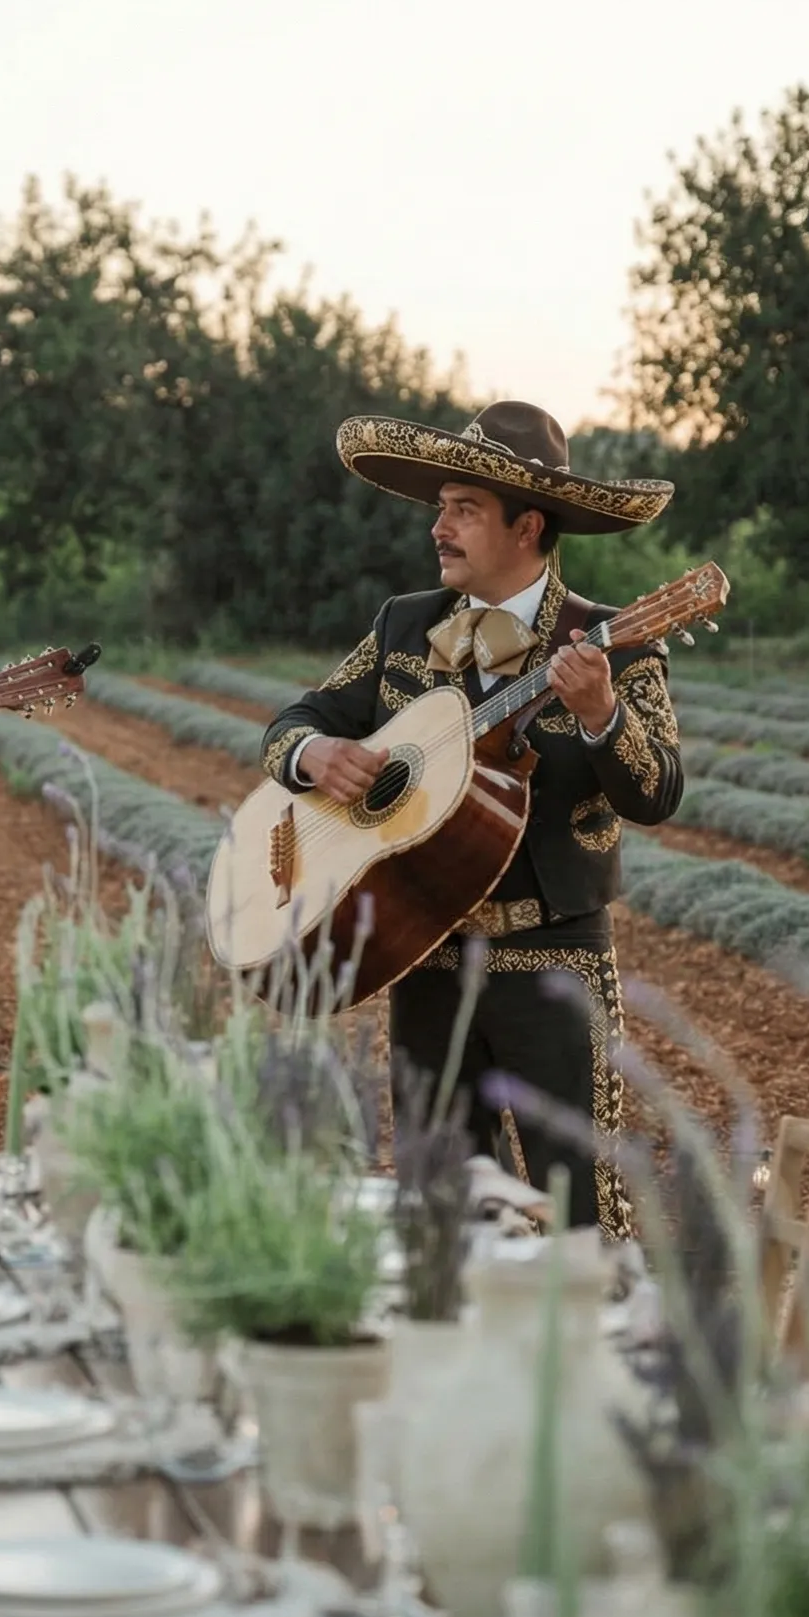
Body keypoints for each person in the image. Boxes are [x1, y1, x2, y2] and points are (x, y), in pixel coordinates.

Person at [260, 401, 683, 1235]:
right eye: (439, 508)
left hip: (554, 960)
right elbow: (293, 722)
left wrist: (603, 717)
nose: (439, 529)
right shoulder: (403, 625)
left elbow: (658, 792)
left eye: (463, 511)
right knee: (438, 1209)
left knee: (583, 1216)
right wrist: (316, 758)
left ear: (527, 525)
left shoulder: (616, 642)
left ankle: (589, 1365)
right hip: (422, 953)